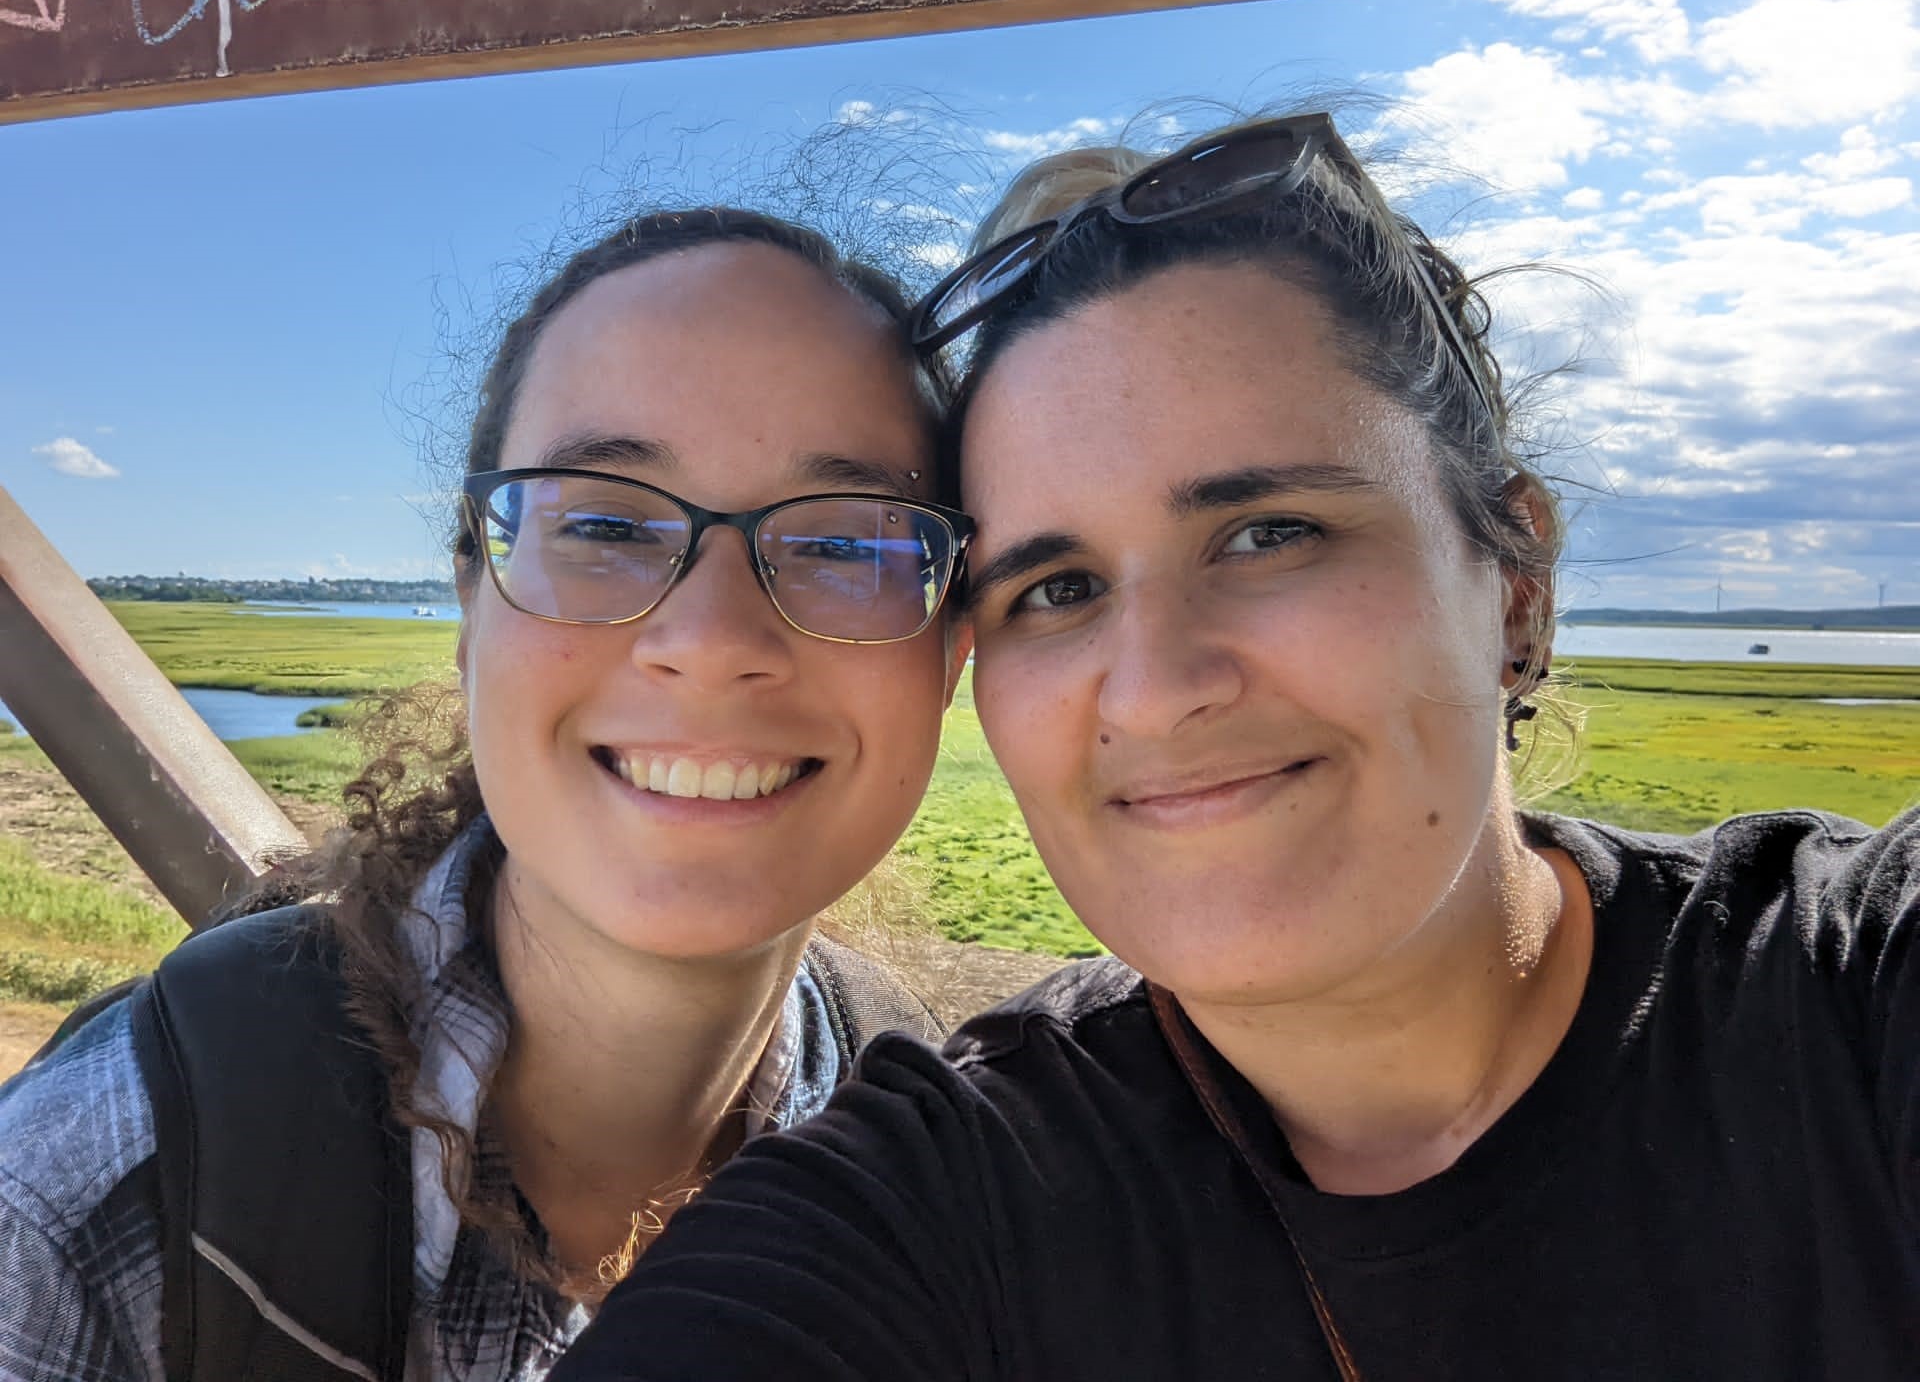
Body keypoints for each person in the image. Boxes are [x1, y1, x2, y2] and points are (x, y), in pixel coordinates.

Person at [550, 114, 1920, 1380]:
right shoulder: (941, 1203)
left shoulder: (1852, 1004)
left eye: (1272, 535)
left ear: (1516, 587)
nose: (1152, 689)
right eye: (1056, 587)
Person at [0, 206, 975, 1380]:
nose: (710, 641)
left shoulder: (959, 1180)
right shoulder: (97, 1200)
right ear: (472, 592)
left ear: (952, 646)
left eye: (841, 543)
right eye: (606, 522)